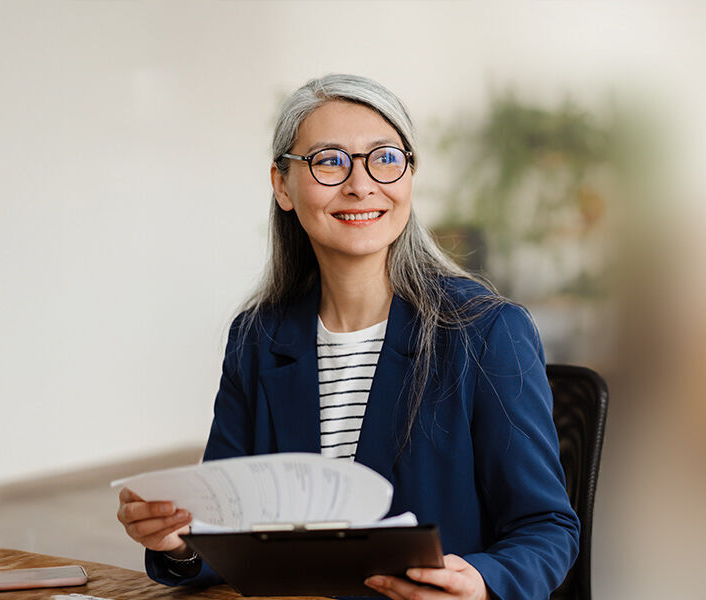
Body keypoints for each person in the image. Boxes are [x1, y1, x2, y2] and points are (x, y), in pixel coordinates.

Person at [113, 73, 579, 600]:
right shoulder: (257, 338)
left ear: (409, 175)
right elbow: (225, 531)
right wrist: (179, 541)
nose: (361, 185)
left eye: (384, 157)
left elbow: (546, 529)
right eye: (330, 160)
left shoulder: (485, 332)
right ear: (282, 186)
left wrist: (482, 582)